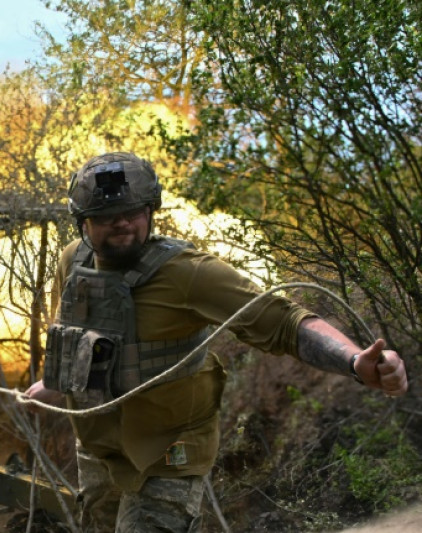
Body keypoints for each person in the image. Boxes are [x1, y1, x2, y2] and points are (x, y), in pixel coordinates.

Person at [25, 152, 409, 532]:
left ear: (151, 210)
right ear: (84, 222)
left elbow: (283, 322)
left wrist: (354, 361)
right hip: (99, 449)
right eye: (108, 216)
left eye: (135, 210)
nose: (124, 222)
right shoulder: (72, 262)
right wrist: (54, 383)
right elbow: (73, 334)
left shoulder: (189, 273)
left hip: (169, 451)